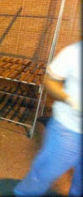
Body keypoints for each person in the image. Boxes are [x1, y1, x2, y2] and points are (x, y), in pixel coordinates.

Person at [13, 41, 82, 196]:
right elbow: (50, 81)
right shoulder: (74, 52)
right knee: (45, 172)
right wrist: (71, 100)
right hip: (69, 128)